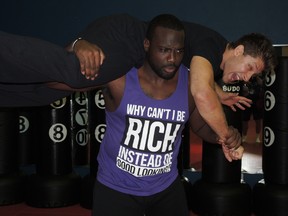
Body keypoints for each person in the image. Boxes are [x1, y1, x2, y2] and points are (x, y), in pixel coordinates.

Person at [48, 14, 242, 216]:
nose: (172, 59)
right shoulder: (120, 77)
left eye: (178, 51)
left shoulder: (188, 83)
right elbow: (59, 78)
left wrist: (224, 136)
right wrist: (77, 44)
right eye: (164, 50)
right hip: (115, 188)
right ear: (147, 45)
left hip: (165, 188)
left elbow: (200, 126)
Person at [71, 14, 276, 151]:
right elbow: (201, 91)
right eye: (249, 67)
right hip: (119, 37)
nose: (247, 78)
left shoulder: (213, 54)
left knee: (73, 82)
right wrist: (225, 135)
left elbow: (202, 78)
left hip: (129, 52)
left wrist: (221, 95)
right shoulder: (212, 48)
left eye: (253, 76)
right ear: (239, 51)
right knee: (71, 78)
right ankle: (74, 45)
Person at [241, 75, 264, 143]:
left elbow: (262, 84)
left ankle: (257, 138)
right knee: (245, 121)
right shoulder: (245, 77)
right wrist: (245, 82)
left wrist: (257, 77)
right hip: (246, 102)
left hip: (257, 104)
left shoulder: (259, 78)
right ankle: (244, 137)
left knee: (258, 121)